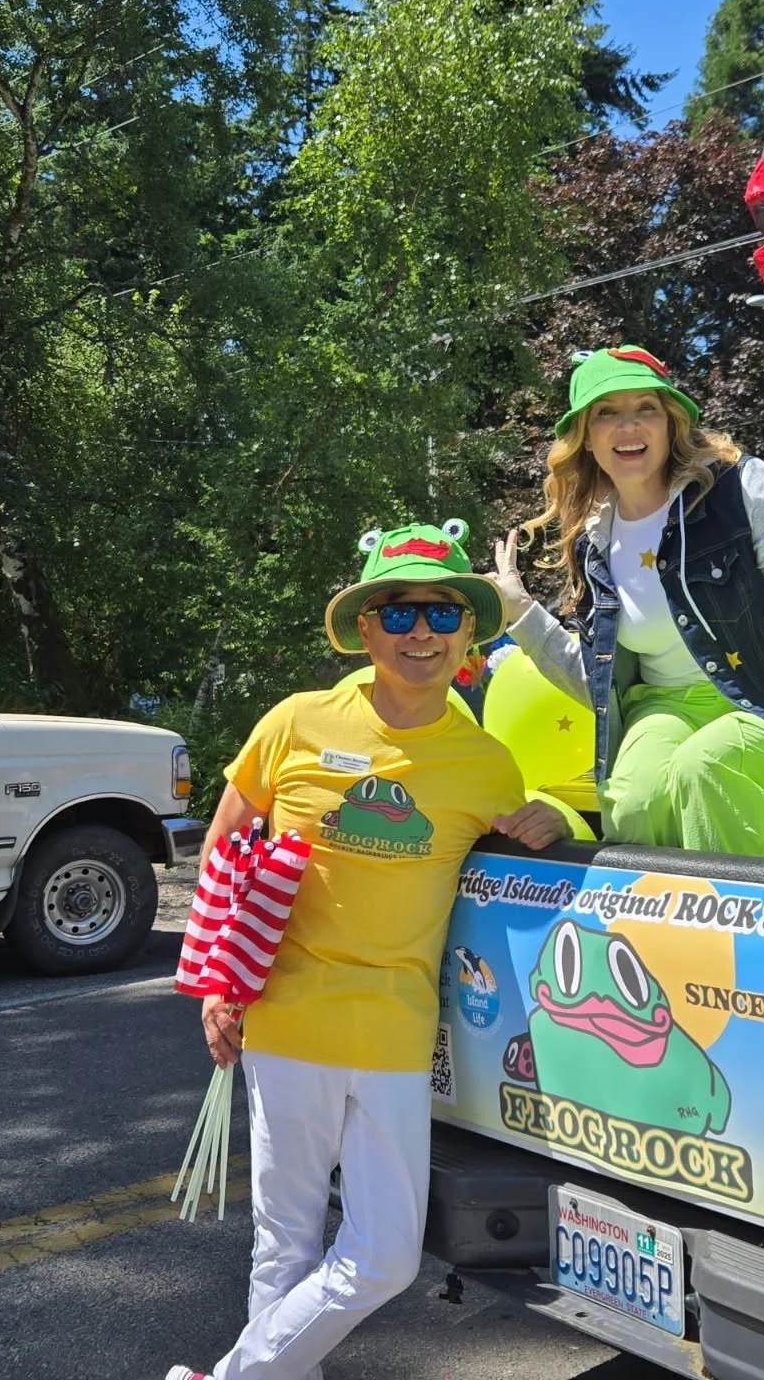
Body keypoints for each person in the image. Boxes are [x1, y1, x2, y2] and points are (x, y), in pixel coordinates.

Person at [168, 519, 567, 1380]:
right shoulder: (297, 722)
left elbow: (524, 848)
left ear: (467, 632)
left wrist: (557, 819)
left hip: (394, 1030)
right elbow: (226, 845)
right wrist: (218, 983)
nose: (418, 630)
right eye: (396, 613)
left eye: (438, 612)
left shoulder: (486, 761)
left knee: (384, 1256)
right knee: (283, 1242)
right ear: (363, 629)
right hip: (286, 1020)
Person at [491, 346, 764, 857]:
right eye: (607, 412)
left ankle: (737, 932)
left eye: (646, 407)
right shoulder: (592, 542)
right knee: (633, 800)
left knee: (706, 769)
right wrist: (521, 613)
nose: (629, 427)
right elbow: (601, 686)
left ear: (672, 422)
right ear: (585, 436)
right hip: (662, 707)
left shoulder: (745, 489)